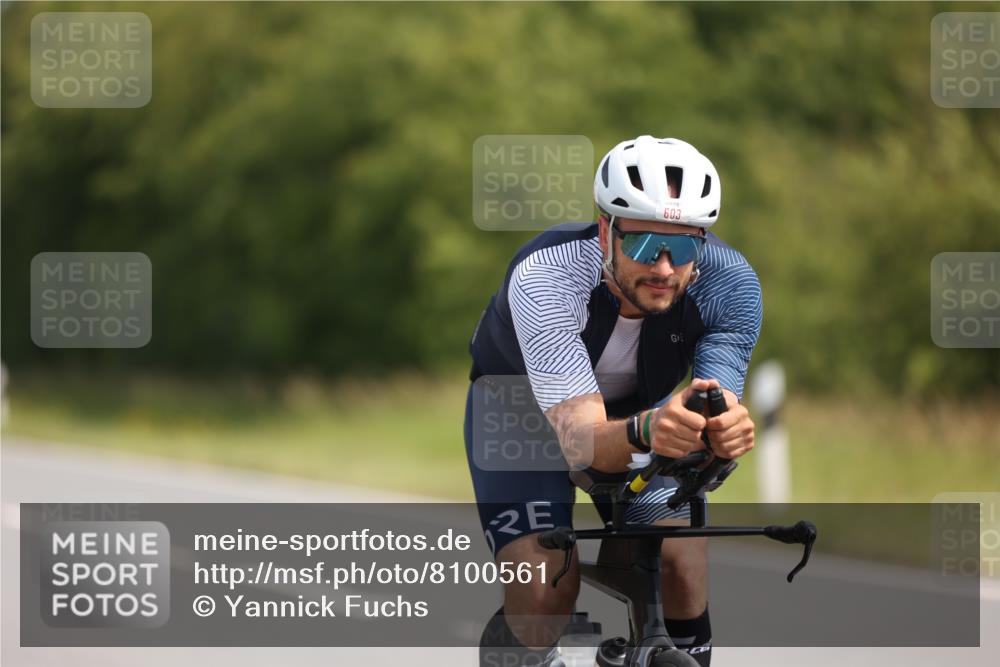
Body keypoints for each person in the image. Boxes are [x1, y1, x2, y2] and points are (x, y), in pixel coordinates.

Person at [465, 135, 761, 666]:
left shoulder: (730, 284)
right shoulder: (548, 276)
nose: (665, 268)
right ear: (606, 232)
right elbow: (582, 444)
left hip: (636, 413)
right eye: (645, 245)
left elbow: (710, 412)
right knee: (545, 591)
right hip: (519, 414)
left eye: (685, 247)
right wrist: (648, 431)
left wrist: (723, 439)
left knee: (681, 566)